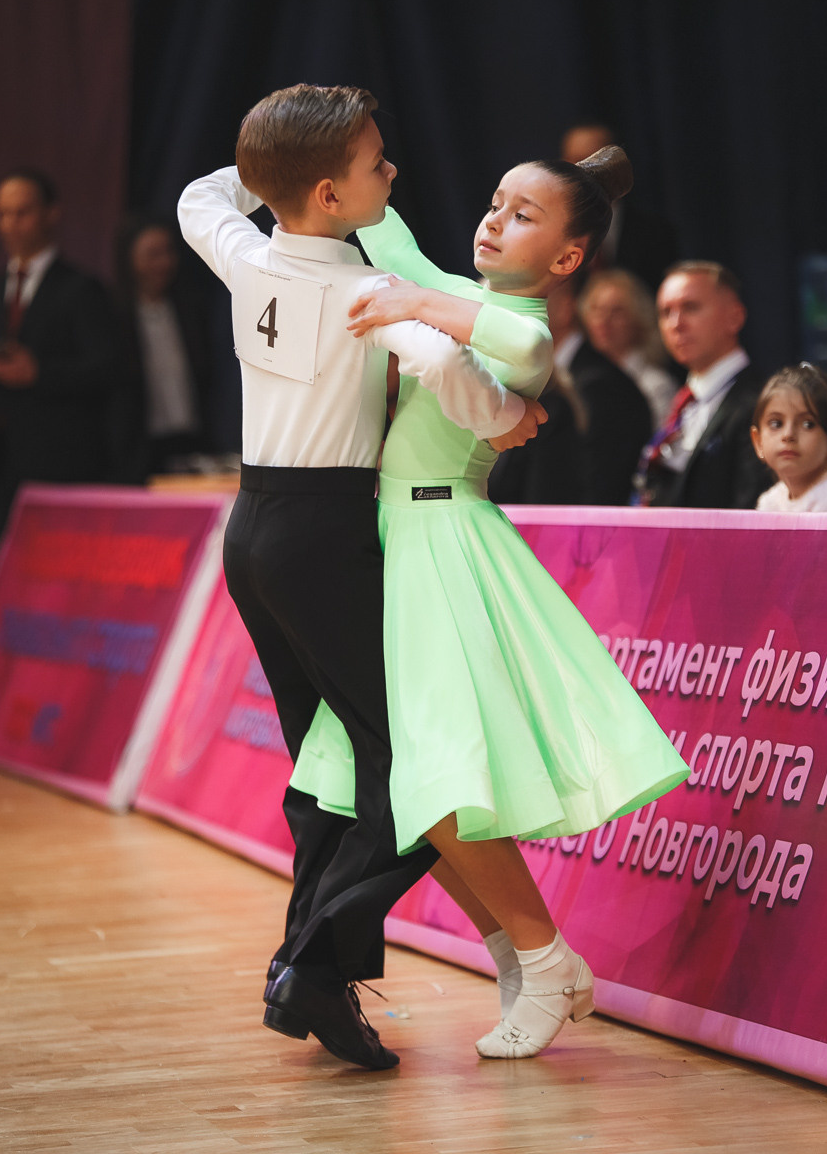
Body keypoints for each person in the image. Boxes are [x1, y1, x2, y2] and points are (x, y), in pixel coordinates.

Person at [292, 147, 690, 1060]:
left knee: (430, 782)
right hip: (398, 547)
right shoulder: (455, 294)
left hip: (444, 548)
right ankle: (522, 956)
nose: (492, 220)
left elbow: (516, 344)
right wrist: (361, 160)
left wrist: (413, 302)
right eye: (494, 202)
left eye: (520, 215)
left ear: (565, 260)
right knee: (416, 789)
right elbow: (384, 236)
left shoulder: (522, 326)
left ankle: (544, 958)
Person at [177, 84, 543, 1071]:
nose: (396, 171)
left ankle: (319, 981)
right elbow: (446, 367)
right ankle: (306, 962)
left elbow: (197, 198)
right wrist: (506, 417)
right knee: (405, 763)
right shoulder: (361, 292)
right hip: (326, 534)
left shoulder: (244, 248)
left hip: (251, 527)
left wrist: (261, 177)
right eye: (379, 162)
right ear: (334, 194)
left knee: (325, 769)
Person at [0, 168, 121, 537]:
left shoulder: (82, 289)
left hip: (59, 463)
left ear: (51, 213)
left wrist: (40, 374)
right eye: (3, 214)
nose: (11, 224)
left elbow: (108, 370)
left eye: (23, 212)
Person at [489, 265, 653, 506]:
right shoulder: (554, 380)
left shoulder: (600, 386)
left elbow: (592, 488)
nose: (509, 314)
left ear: (566, 308)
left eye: (525, 300)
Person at [635, 261, 771, 508]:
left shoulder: (762, 404)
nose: (676, 324)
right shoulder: (684, 400)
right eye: (666, 312)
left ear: (735, 317)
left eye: (691, 308)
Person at [112, 213, 213, 481]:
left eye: (168, 252)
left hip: (190, 439)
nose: (164, 263)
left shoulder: (190, 308)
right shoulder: (113, 313)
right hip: (137, 445)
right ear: (129, 257)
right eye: (152, 254)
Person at [560, 121, 678, 293]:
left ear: (616, 164)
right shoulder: (552, 231)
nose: (582, 170)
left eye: (593, 159)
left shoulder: (655, 232)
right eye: (574, 160)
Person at [580, 268, 678, 428]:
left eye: (617, 311)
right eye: (596, 309)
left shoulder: (657, 385)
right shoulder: (579, 378)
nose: (604, 321)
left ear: (638, 319)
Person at [751, 363, 827, 511]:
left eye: (808, 424)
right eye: (777, 424)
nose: (788, 435)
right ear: (758, 442)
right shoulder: (770, 502)